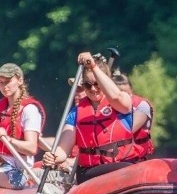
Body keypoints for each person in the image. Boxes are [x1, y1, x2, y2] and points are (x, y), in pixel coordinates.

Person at [42, 52, 146, 184]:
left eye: (97, 84)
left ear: (104, 82)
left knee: (129, 171)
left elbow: (115, 97)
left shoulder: (122, 102)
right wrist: (53, 157)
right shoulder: (76, 113)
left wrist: (93, 67)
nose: (93, 89)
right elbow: (63, 149)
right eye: (87, 85)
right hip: (90, 172)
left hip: (122, 166)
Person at [111, 72, 155, 161]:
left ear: (131, 90)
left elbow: (129, 130)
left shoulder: (142, 106)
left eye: (128, 94)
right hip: (113, 158)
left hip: (136, 158)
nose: (126, 98)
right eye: (121, 95)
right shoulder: (106, 107)